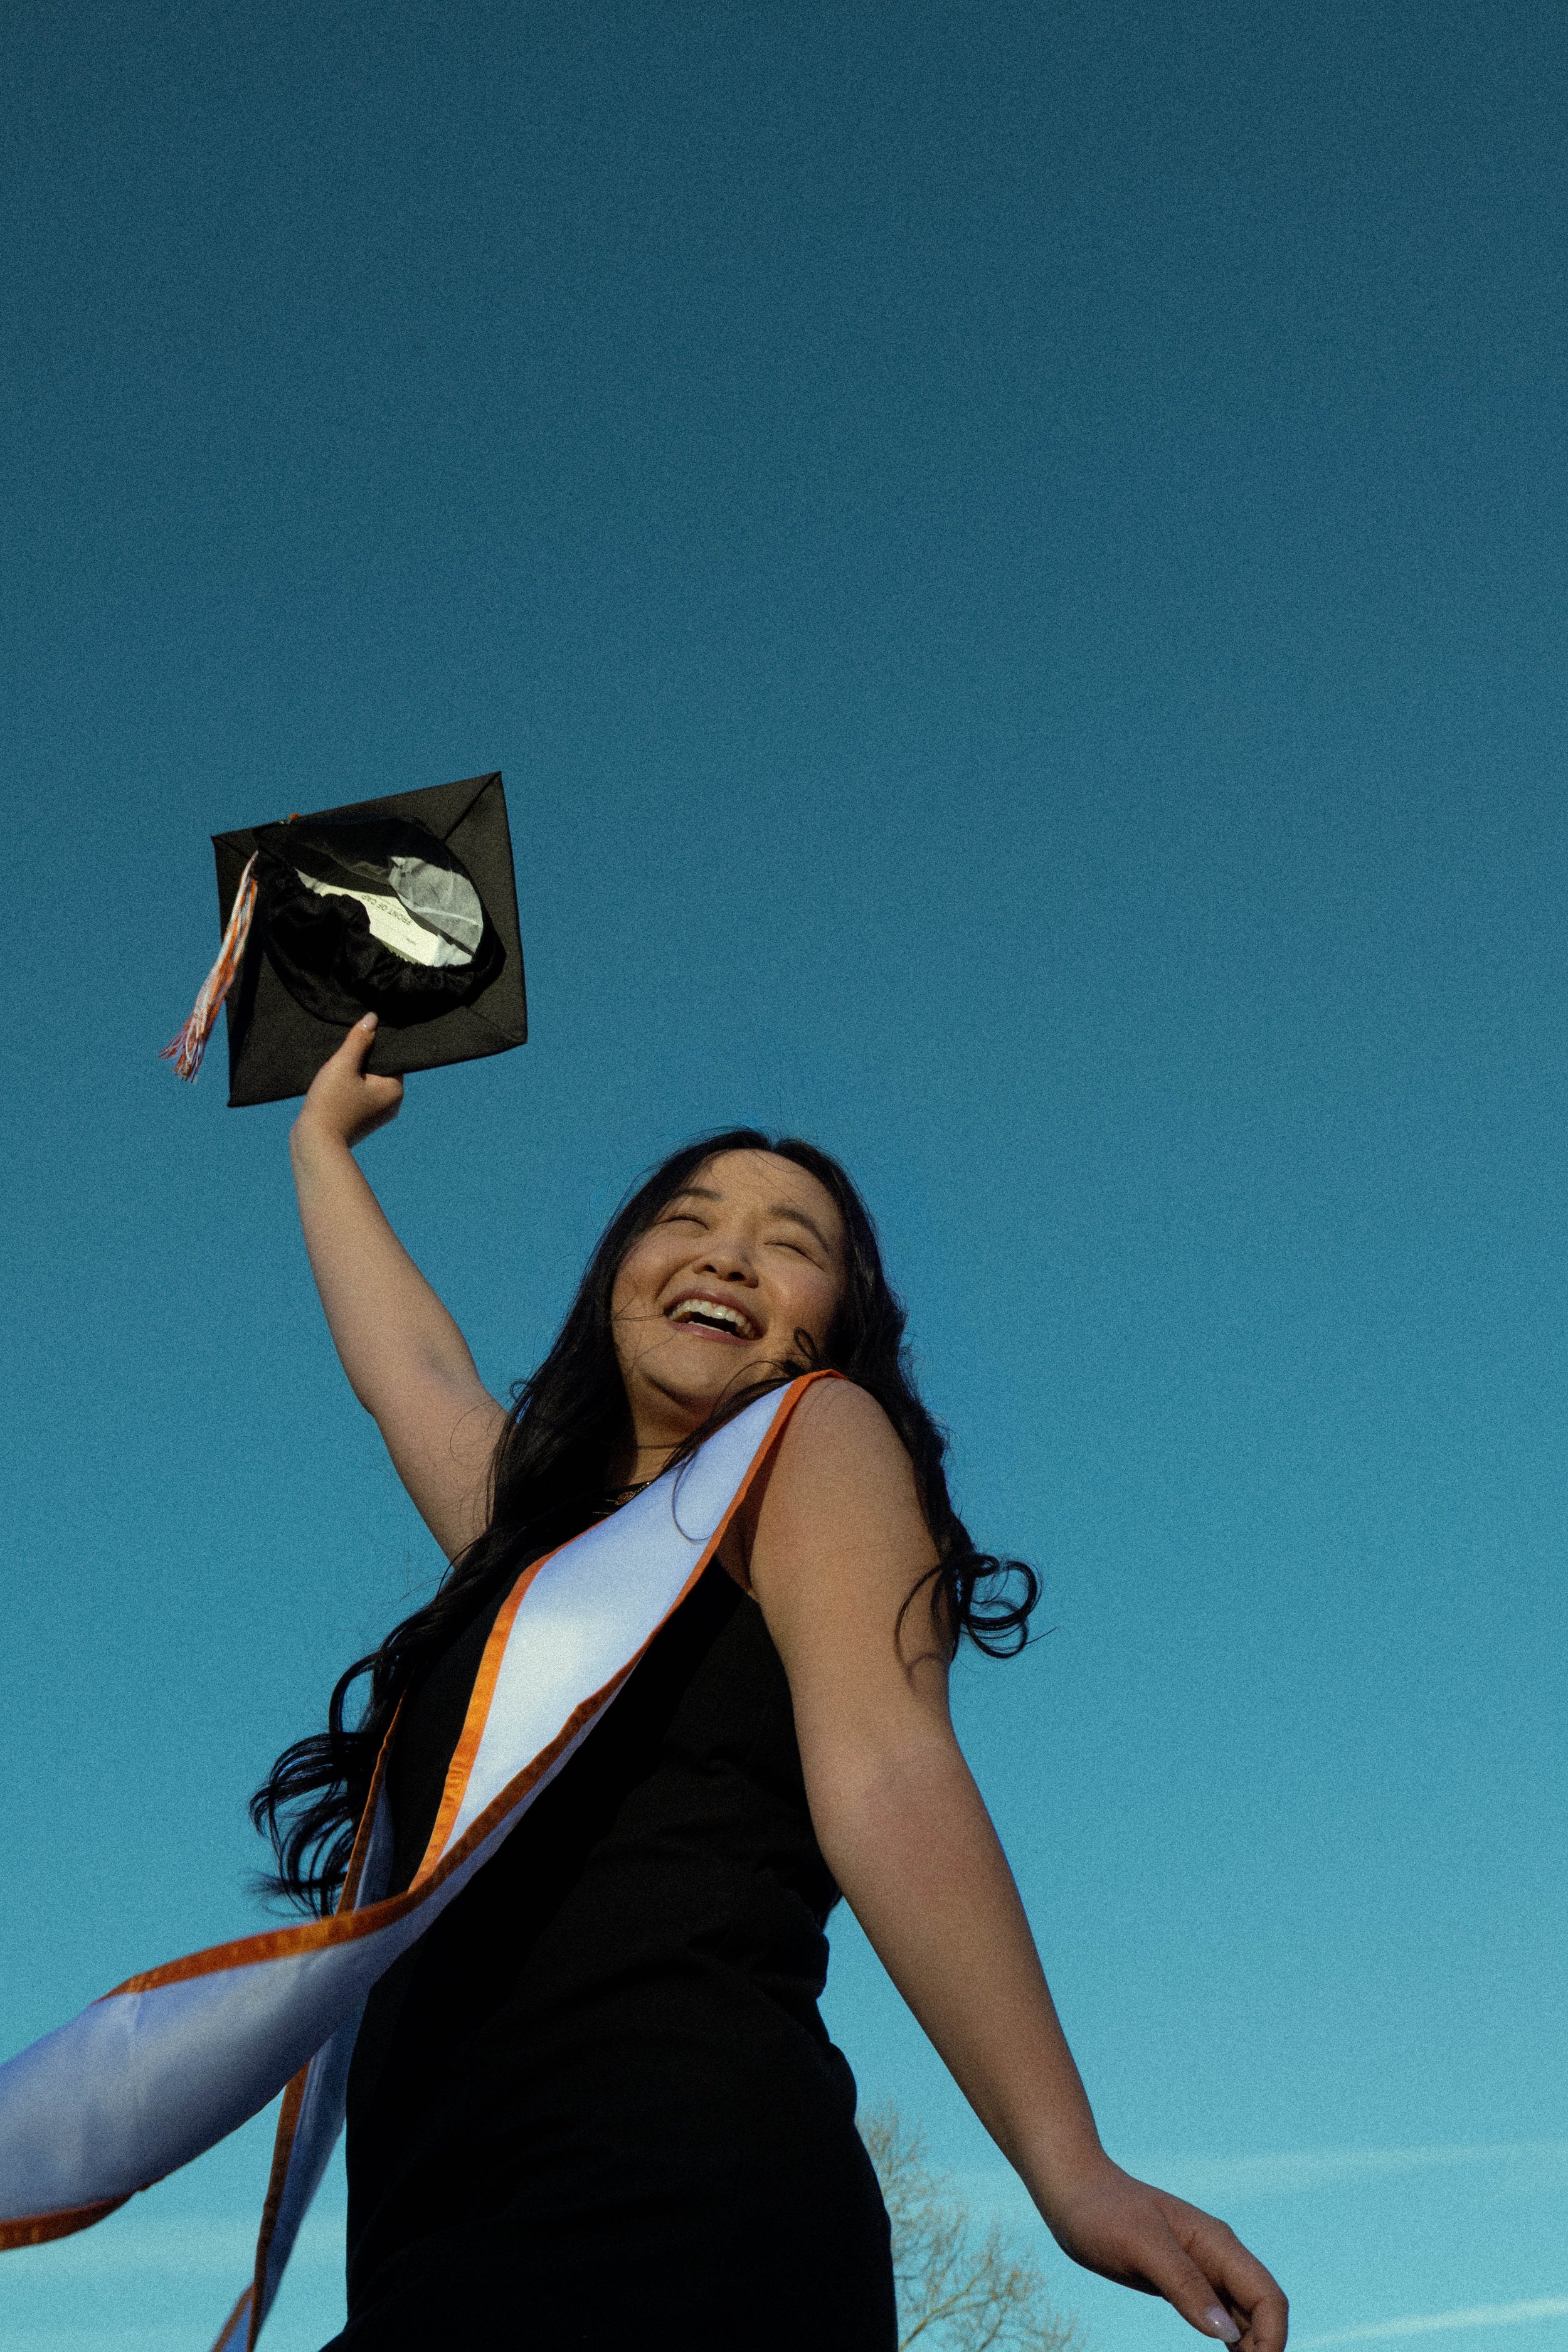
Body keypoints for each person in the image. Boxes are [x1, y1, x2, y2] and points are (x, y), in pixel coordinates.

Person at [255, 1014, 1288, 2352]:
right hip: (437, 2232)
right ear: (617, 1274)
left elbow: (891, 1771)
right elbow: (412, 1371)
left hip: (674, 2214)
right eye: (685, 1220)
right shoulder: (529, 1551)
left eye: (791, 1243)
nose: (728, 1253)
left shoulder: (811, 1440)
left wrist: (1067, 2164)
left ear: (835, 1325)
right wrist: (321, 1142)